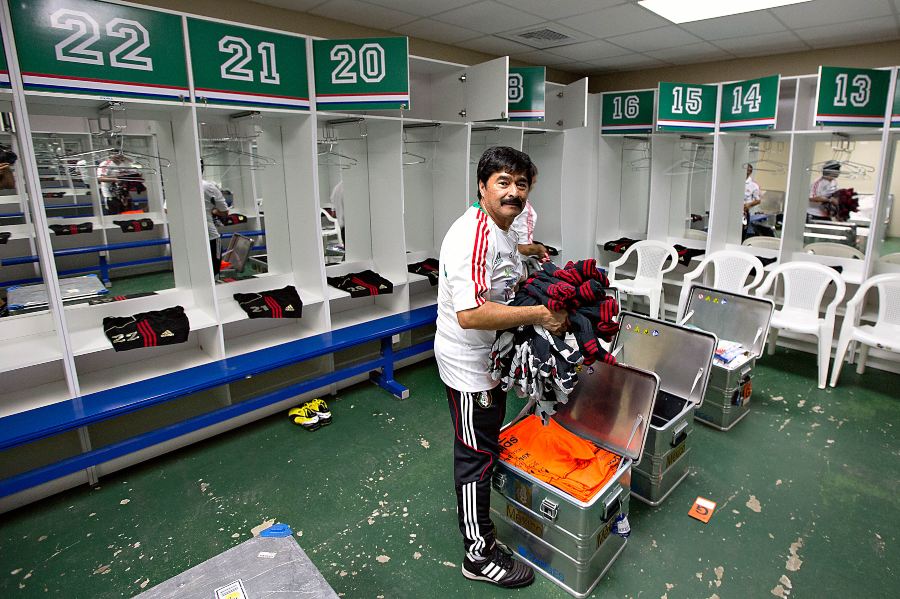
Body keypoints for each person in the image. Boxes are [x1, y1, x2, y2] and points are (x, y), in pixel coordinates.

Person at [435, 146, 568, 589]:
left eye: (522, 184)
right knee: (476, 457)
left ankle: (483, 536)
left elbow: (510, 259)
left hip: (493, 357)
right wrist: (539, 314)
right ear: (482, 186)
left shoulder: (505, 227)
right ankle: (479, 554)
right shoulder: (471, 234)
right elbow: (470, 313)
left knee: (488, 441)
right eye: (503, 183)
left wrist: (538, 256)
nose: (513, 192)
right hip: (468, 364)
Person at [201, 161, 229, 278]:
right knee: (214, 271)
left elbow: (167, 209)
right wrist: (213, 211)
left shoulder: (178, 187)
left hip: (187, 236)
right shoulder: (208, 186)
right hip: (209, 234)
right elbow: (224, 212)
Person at [742, 164, 762, 240]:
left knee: (741, 234)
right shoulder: (735, 181)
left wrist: (749, 204)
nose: (747, 172)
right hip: (732, 211)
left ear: (750, 172)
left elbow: (758, 200)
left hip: (744, 213)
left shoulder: (753, 185)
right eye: (746, 170)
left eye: (749, 170)